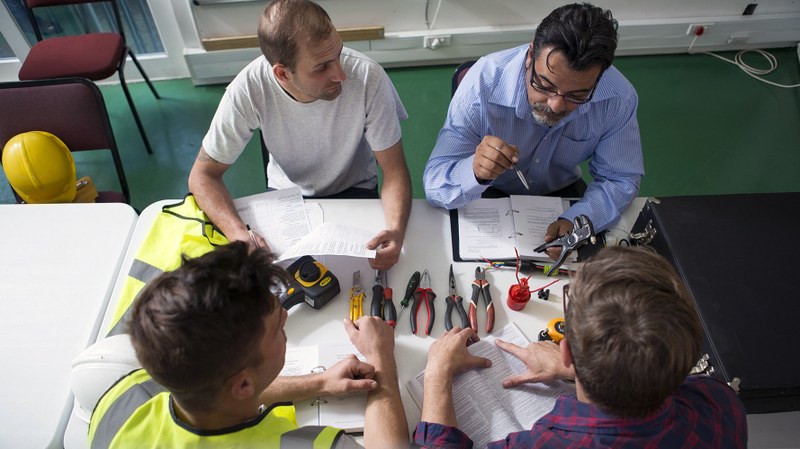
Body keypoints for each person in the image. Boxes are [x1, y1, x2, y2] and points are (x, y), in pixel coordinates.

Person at [413, 246, 747, 448]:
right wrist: (596, 367)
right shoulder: (719, 404)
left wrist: (437, 374)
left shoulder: (550, 443)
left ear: (566, 351)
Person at [87, 241, 408, 448]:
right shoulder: (311, 445)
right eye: (278, 330)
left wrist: (319, 382)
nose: (285, 316)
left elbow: (215, 393)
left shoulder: (121, 401)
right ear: (242, 384)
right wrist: (380, 357)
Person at [188, 0, 411, 271]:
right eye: (321, 67)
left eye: (338, 54)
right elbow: (202, 175)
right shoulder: (247, 89)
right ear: (282, 73)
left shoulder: (367, 76)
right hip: (287, 195)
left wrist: (397, 230)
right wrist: (238, 234)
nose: (340, 74)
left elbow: (394, 170)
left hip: (356, 189)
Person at [423, 3, 644, 259]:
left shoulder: (618, 97)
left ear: (600, 77)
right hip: (489, 190)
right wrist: (475, 170)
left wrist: (581, 220)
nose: (556, 105)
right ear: (530, 56)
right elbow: (435, 185)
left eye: (578, 95)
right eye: (545, 85)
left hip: (562, 190)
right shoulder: (483, 80)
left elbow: (620, 179)